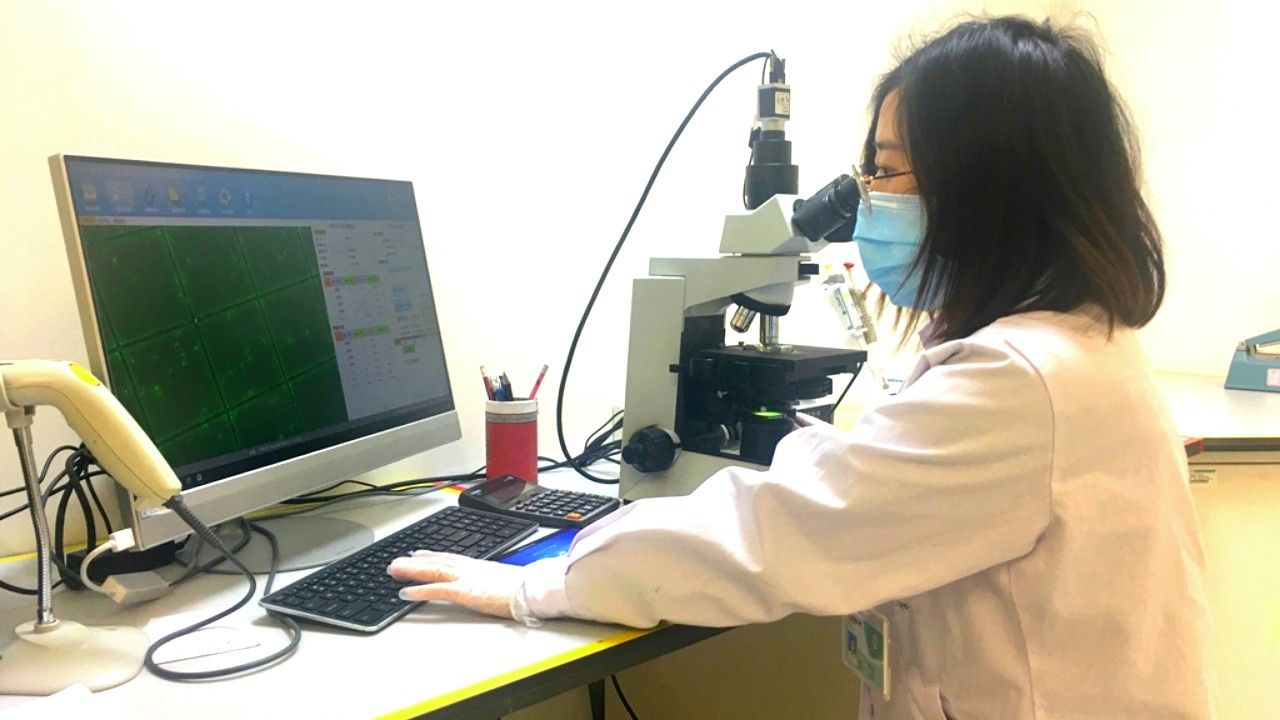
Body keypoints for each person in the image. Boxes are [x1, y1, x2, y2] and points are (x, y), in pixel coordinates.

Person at [389, 15, 1215, 720]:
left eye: (884, 168)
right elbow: (849, 498)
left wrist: (540, 584)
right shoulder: (1075, 346)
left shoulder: (1019, 381)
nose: (868, 195)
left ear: (984, 184)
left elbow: (777, 535)